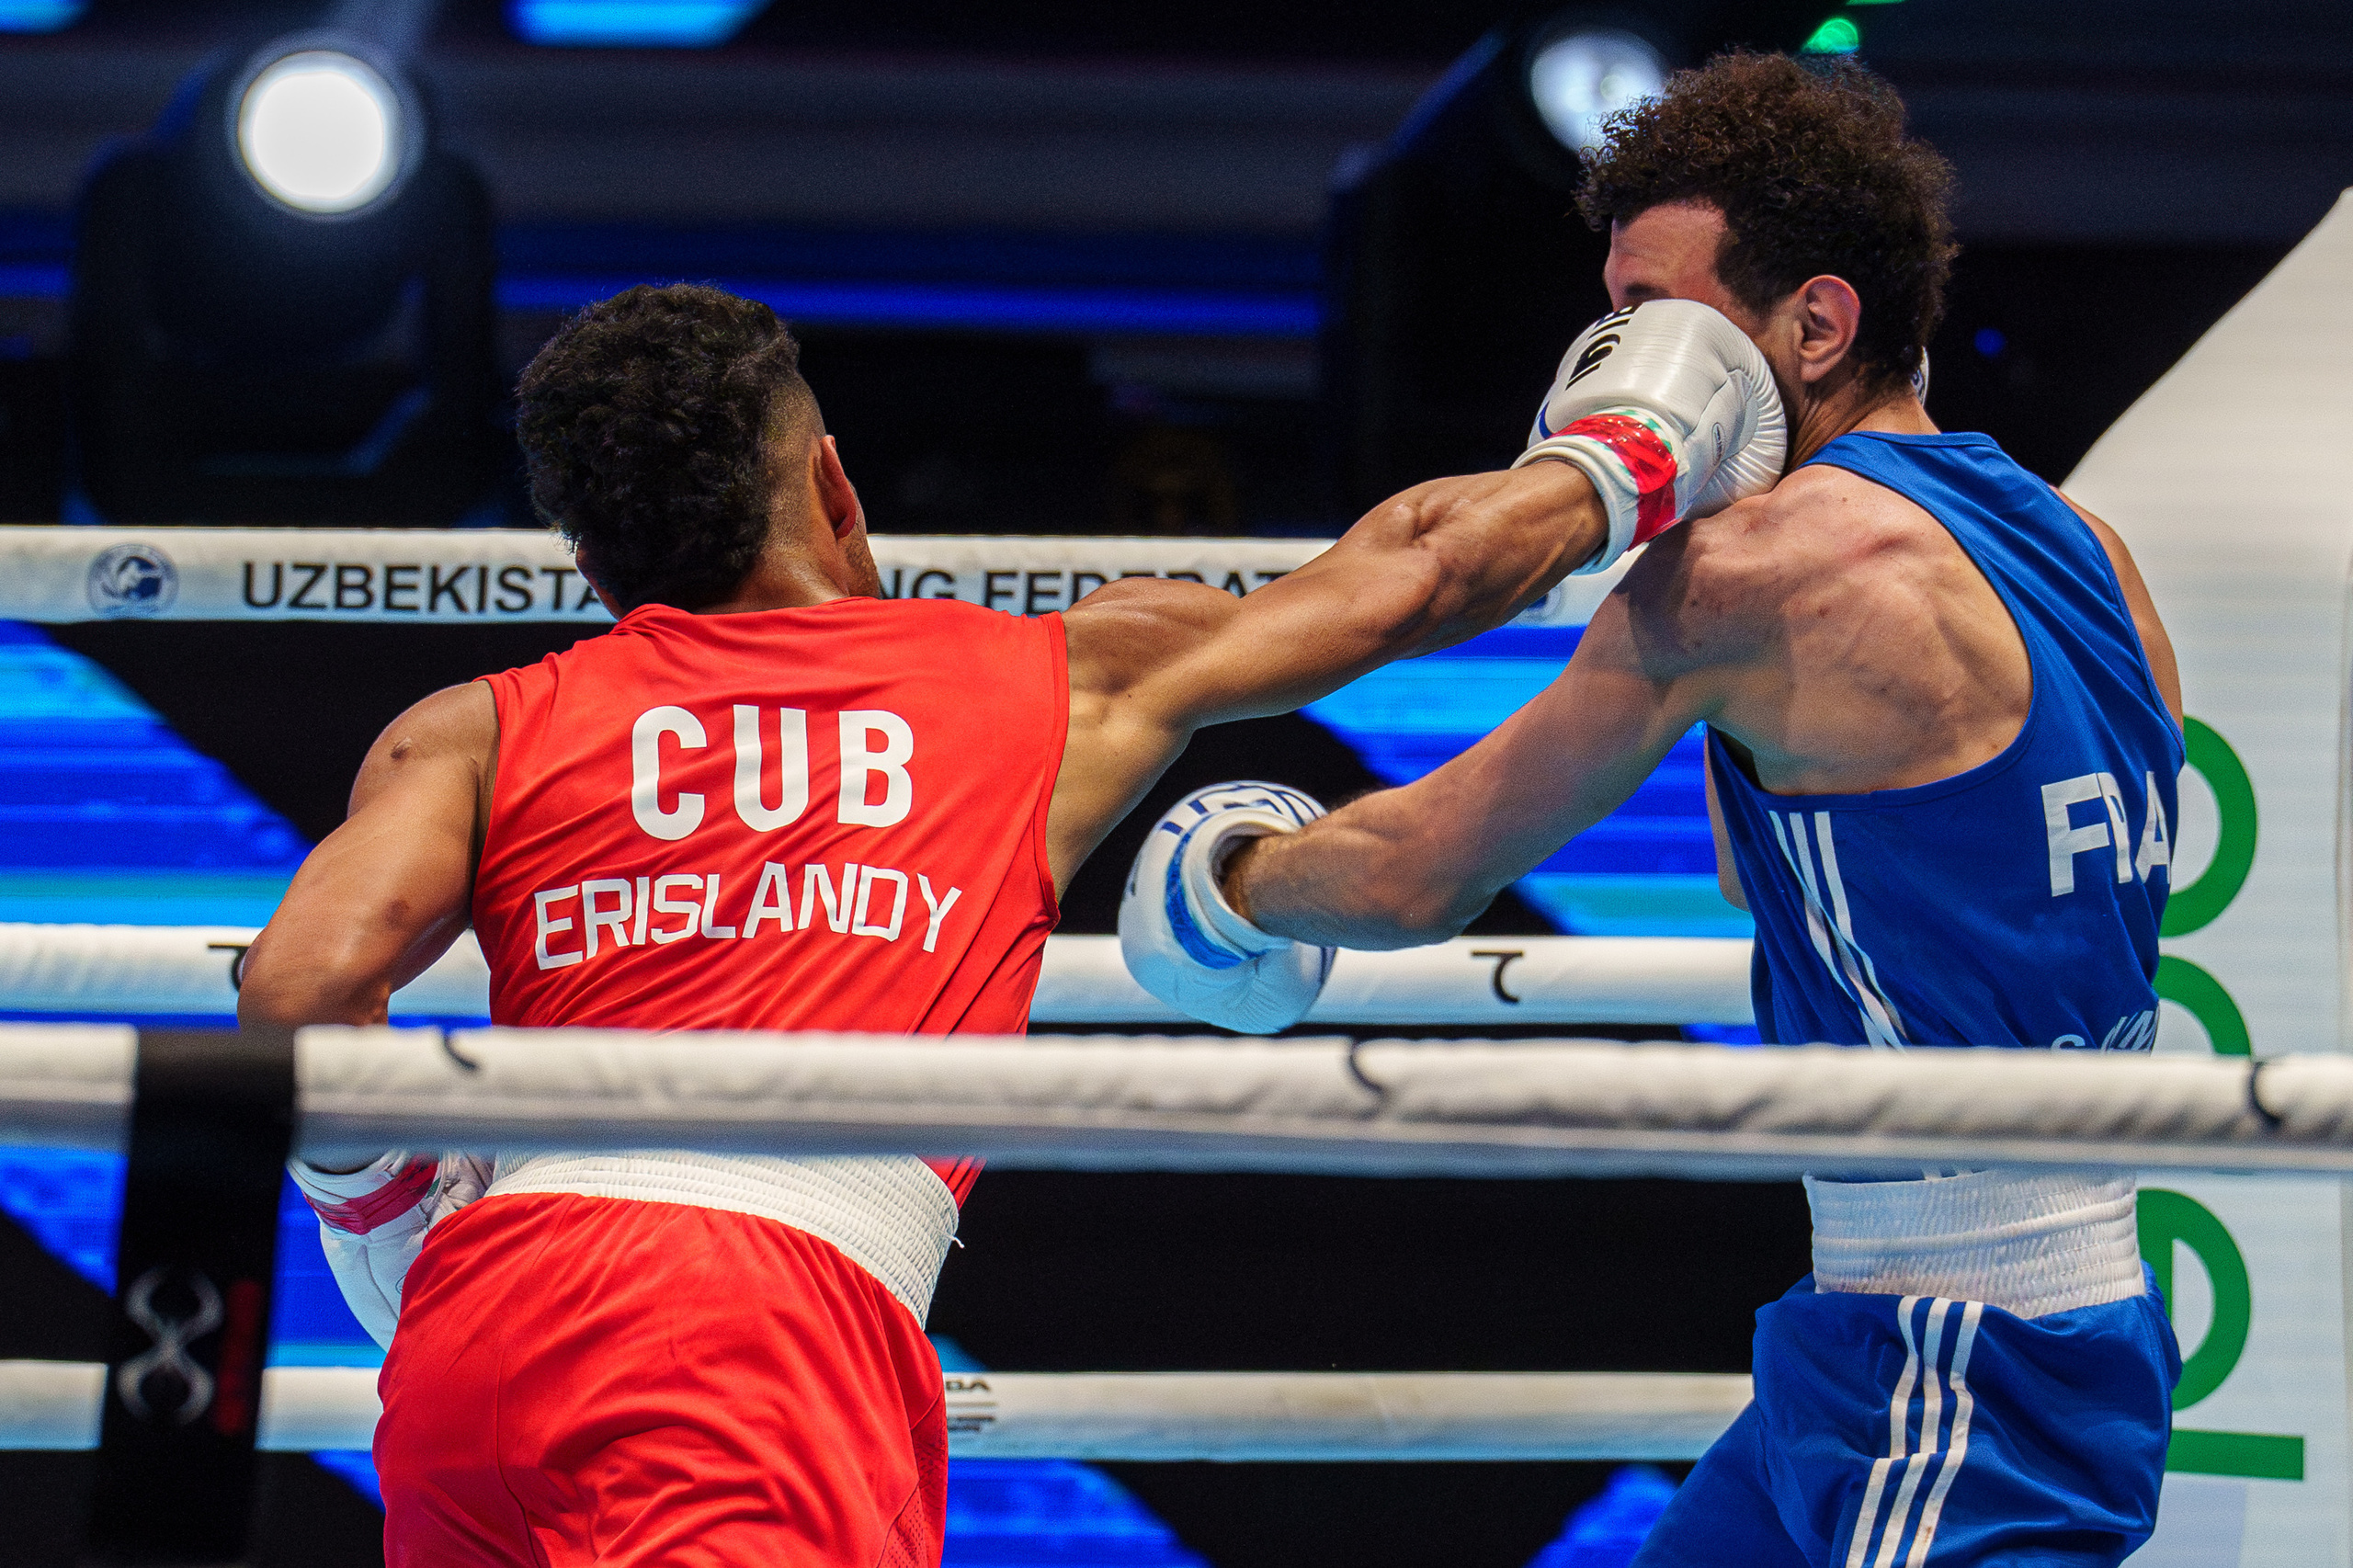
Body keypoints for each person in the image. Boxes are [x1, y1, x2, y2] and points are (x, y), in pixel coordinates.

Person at [235, 278, 1781, 1565]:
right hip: (754, 1338)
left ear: (589, 558)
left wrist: (388, 1213)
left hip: (477, 1333)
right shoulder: (1050, 681)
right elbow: (1416, 578)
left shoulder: (476, 729)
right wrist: (1632, 451)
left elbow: (299, 988)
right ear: (833, 483)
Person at [1121, 54, 2186, 1568]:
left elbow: (1420, 872)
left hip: (1955, 1359)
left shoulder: (1759, 578)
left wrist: (1231, 871)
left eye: (1663, 315)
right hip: (2000, 1311)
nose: (1625, 357)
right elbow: (1869, 880)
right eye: (1612, 313)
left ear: (1815, 323)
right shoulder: (2090, 547)